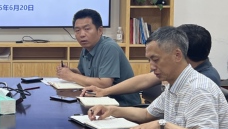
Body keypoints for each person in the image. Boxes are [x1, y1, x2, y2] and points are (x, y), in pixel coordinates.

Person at [90, 26, 228, 129]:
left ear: (177, 55)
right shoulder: (175, 84)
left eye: (156, 59)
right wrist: (112, 110)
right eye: (149, 60)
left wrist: (163, 125)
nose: (152, 66)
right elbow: (146, 114)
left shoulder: (198, 89)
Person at [80, 23, 220, 99]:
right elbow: (143, 81)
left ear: (179, 53)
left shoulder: (204, 82)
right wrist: (104, 91)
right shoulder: (176, 71)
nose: (152, 66)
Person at [56, 8, 140, 106]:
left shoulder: (109, 48)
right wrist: (71, 71)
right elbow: (83, 74)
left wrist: (71, 76)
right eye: (77, 30)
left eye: (87, 29)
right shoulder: (86, 48)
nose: (82, 34)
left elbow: (104, 84)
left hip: (122, 105)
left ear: (100, 30)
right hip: (99, 101)